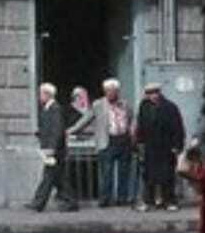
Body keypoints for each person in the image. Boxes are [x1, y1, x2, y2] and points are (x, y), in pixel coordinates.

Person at [69, 78, 134, 207]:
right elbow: (86, 119)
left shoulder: (125, 104)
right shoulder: (98, 104)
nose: (110, 93)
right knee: (107, 172)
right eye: (108, 91)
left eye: (113, 91)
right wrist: (71, 130)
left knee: (123, 172)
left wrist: (132, 133)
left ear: (117, 91)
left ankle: (122, 198)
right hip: (107, 140)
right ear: (105, 91)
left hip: (123, 140)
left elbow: (131, 119)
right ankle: (105, 199)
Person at [134, 83, 185, 212]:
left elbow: (177, 127)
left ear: (159, 93)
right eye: (150, 93)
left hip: (166, 146)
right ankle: (149, 201)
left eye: (155, 93)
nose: (153, 96)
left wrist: (177, 145)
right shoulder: (144, 106)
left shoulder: (170, 107)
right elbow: (140, 125)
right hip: (150, 146)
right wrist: (139, 143)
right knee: (149, 175)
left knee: (167, 175)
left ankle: (169, 201)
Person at [29, 82, 77, 212]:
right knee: (58, 177)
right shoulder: (48, 108)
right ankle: (70, 201)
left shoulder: (55, 108)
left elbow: (57, 130)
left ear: (47, 95)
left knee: (49, 176)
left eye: (41, 94)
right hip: (51, 149)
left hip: (54, 150)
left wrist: (52, 148)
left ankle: (38, 203)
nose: (39, 97)